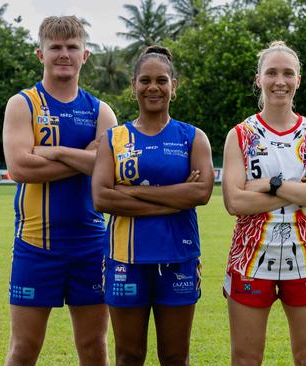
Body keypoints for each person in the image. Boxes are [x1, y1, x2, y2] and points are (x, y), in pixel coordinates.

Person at [2, 16, 117, 366]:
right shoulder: (22, 104)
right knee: (24, 349)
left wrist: (51, 152)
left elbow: (106, 174)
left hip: (91, 247)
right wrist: (86, 158)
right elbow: (20, 168)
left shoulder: (101, 111)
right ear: (40, 54)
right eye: (55, 47)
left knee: (94, 346)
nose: (63, 54)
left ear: (85, 55)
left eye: (72, 47)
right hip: (36, 246)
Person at [91, 45, 214, 366]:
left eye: (162, 80)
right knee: (128, 356)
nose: (153, 87)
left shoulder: (193, 137)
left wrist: (131, 193)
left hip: (178, 257)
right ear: (133, 85)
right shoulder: (113, 138)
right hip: (125, 259)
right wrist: (175, 196)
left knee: (175, 357)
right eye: (145, 80)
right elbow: (102, 198)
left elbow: (201, 193)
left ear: (174, 85)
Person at [222, 41, 306, 366]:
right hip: (250, 259)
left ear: (298, 80)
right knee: (245, 359)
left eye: (288, 73)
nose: (280, 81)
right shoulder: (241, 135)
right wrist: (301, 190)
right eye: (271, 73)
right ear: (258, 79)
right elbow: (234, 201)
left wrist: (270, 186)